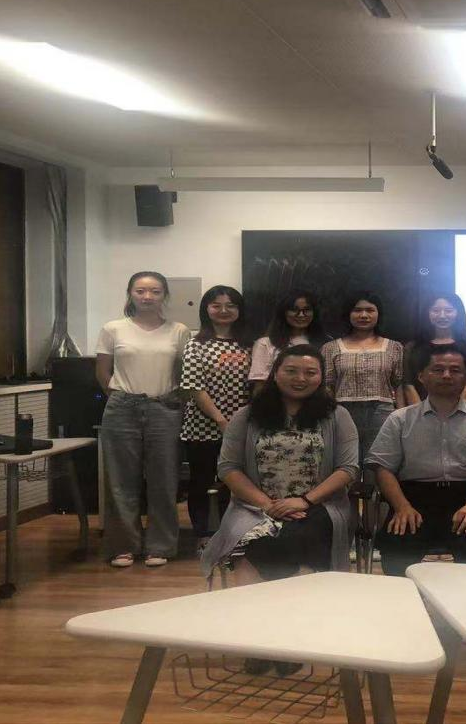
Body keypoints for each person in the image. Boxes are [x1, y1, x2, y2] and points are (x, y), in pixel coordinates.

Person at [200, 344, 358, 676]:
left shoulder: (337, 416)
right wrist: (267, 504)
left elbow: (348, 469)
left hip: (319, 505)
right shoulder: (246, 416)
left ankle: (280, 639)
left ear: (321, 377)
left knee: (291, 537)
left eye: (310, 372)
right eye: (291, 371)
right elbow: (228, 468)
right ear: (275, 373)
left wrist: (305, 500)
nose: (301, 378)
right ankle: (261, 640)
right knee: (252, 542)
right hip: (255, 506)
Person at [368, 344, 466, 577]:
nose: (446, 375)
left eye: (455, 370)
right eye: (438, 369)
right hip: (413, 498)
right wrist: (401, 507)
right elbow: (383, 467)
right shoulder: (400, 419)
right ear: (421, 376)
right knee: (397, 554)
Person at [95, 271, 192, 569]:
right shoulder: (113, 328)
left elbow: (183, 374)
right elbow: (102, 371)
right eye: (140, 291)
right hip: (122, 407)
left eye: (155, 291)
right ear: (130, 294)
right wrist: (118, 396)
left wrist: (173, 401)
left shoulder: (179, 331)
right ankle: (123, 546)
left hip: (164, 407)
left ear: (164, 295)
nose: (147, 296)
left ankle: (160, 546)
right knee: (120, 480)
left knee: (164, 479)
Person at [180, 285, 253, 550]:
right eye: (216, 305)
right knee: (201, 481)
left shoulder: (250, 345)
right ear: (206, 309)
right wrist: (222, 421)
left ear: (239, 310)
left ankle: (233, 533)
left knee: (235, 482)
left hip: (244, 425)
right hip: (203, 427)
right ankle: (205, 535)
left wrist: (238, 423)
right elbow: (194, 387)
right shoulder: (195, 344)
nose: (224, 311)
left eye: (231, 305)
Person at [322, 292, 405, 467]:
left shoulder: (394, 347)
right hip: (343, 410)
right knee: (345, 464)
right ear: (348, 314)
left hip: (382, 411)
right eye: (357, 310)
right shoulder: (331, 348)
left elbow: (398, 384)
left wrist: (402, 414)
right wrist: (328, 414)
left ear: (378, 314)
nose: (364, 315)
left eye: (370, 310)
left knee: (378, 464)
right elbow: (327, 385)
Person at [402, 293, 466, 404]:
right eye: (436, 311)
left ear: (458, 313)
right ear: (427, 313)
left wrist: (458, 412)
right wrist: (421, 412)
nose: (442, 316)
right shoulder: (413, 348)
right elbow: (408, 384)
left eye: (448, 311)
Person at [249, 289, 329, 392]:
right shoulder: (265, 343)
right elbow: (259, 386)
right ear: (284, 313)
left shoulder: (326, 342)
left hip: (316, 399)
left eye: (307, 310)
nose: (301, 315)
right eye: (294, 310)